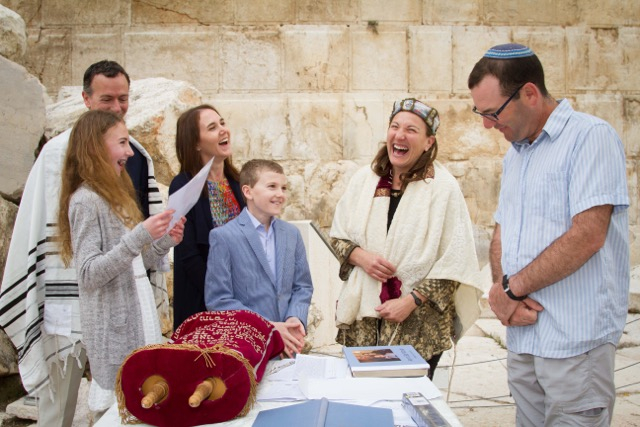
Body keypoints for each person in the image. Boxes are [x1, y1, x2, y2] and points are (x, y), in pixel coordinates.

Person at [468, 43, 629, 426]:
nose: (487, 125)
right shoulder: (516, 154)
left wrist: (511, 290)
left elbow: (588, 235)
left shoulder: (590, 138)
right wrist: (501, 293)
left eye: (492, 113)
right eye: (481, 113)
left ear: (529, 93)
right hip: (524, 335)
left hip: (574, 341)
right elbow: (503, 230)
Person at [0, 60, 166, 427]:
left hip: (120, 304)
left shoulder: (135, 154)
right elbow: (47, 231)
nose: (117, 107)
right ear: (86, 99)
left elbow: (132, 232)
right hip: (67, 303)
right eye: (107, 99)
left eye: (123, 99)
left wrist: (161, 239)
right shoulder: (56, 155)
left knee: (123, 405)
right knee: (59, 410)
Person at [329, 98, 484, 380]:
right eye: (394, 127)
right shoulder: (365, 180)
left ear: (428, 142)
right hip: (364, 321)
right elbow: (337, 237)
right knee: (366, 401)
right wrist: (360, 257)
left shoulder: (443, 188)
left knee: (407, 402)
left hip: (417, 324)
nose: (400, 135)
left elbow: (455, 260)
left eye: (411, 130)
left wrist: (409, 301)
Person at [57, 109, 185, 414]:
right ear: (95, 148)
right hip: (115, 334)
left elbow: (136, 264)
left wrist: (165, 241)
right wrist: (139, 235)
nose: (130, 151)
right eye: (123, 143)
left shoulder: (116, 194)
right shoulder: (87, 200)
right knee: (121, 410)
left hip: (139, 321)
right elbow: (89, 274)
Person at [204, 159, 313, 358]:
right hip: (245, 351)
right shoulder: (224, 237)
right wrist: (267, 327)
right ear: (248, 192)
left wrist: (294, 318)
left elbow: (302, 286)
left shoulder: (292, 234)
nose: (280, 194)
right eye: (272, 186)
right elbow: (218, 300)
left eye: (284, 188)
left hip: (287, 349)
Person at [169, 104, 245, 330]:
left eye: (222, 123)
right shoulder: (183, 185)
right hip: (202, 304)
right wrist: (221, 296)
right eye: (212, 128)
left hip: (242, 300)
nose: (223, 130)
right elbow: (188, 255)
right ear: (195, 143)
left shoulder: (238, 183)